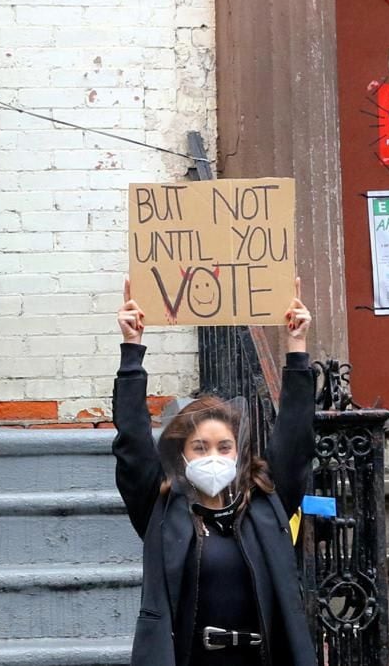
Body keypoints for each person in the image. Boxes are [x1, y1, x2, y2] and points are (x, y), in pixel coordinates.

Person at [113, 277, 317, 665]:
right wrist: (132, 350)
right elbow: (133, 446)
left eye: (225, 447)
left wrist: (296, 349)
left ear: (239, 453)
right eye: (200, 447)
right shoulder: (162, 512)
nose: (214, 456)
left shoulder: (266, 506)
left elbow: (295, 442)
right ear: (182, 455)